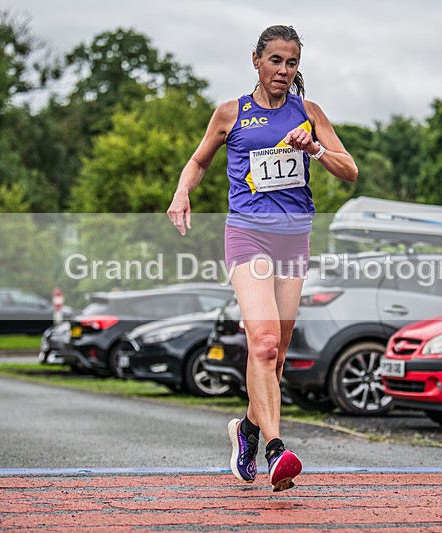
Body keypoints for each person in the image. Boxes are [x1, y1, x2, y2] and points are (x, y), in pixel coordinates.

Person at [166, 25, 357, 491]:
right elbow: (199, 161)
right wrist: (181, 191)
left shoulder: (308, 112)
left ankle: (246, 431)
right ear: (256, 60)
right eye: (275, 61)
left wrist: (314, 147)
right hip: (247, 236)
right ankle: (276, 449)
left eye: (292, 64)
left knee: (276, 360)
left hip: (295, 241)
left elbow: (349, 170)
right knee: (264, 344)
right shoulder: (231, 112)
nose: (284, 72)